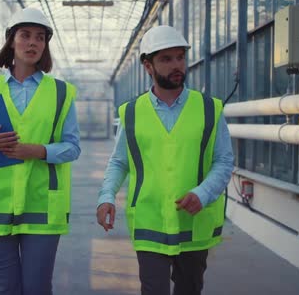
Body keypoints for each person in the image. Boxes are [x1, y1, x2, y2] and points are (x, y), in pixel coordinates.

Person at [0, 7, 81, 295]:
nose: (33, 43)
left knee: (37, 288)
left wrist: (39, 150)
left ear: (45, 45)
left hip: (42, 205)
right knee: (6, 288)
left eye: (40, 38)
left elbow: (72, 148)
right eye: (25, 35)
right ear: (11, 40)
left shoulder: (61, 92)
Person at [96, 25, 234, 295]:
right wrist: (106, 196)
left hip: (194, 223)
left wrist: (203, 193)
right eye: (166, 59)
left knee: (190, 289)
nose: (177, 65)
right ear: (148, 66)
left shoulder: (209, 109)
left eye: (180, 57)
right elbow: (119, 162)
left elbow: (224, 160)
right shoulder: (132, 113)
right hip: (150, 220)